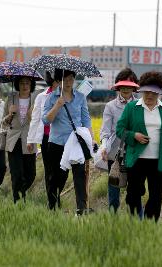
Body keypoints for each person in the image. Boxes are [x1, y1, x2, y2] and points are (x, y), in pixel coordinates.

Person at [116, 71, 162, 221]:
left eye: (153, 93)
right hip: (137, 159)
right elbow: (120, 129)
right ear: (141, 91)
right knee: (133, 195)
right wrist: (134, 136)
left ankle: (150, 227)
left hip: (158, 160)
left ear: (159, 93)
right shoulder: (132, 107)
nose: (149, 96)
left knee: (156, 197)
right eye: (146, 92)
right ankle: (134, 223)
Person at [43, 69, 95, 215]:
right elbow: (46, 120)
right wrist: (57, 106)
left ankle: (81, 208)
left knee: (79, 175)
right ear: (59, 81)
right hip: (57, 143)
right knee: (57, 178)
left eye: (71, 79)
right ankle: (53, 206)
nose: (68, 82)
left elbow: (86, 119)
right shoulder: (52, 97)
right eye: (65, 79)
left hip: (75, 143)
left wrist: (91, 140)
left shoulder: (80, 97)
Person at [100, 68, 139, 212]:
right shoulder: (110, 106)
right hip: (115, 153)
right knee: (114, 191)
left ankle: (134, 222)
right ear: (118, 86)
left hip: (135, 153)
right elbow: (105, 131)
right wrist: (104, 147)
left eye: (129, 85)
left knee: (134, 191)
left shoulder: (140, 105)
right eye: (123, 85)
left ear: (134, 87)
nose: (126, 88)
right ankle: (113, 221)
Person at [3, 76, 38, 203]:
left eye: (27, 83)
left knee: (31, 174)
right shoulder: (11, 98)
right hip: (14, 140)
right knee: (16, 174)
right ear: (18, 84)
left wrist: (31, 116)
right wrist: (10, 114)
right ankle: (17, 201)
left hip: (29, 139)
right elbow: (4, 123)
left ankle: (20, 193)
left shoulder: (36, 99)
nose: (25, 86)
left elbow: (39, 120)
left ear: (31, 84)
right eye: (22, 83)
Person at [27, 71, 59, 201]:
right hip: (46, 138)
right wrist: (30, 140)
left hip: (62, 138)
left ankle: (57, 196)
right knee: (49, 170)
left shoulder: (67, 96)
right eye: (58, 81)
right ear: (52, 81)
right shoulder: (41, 97)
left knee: (60, 171)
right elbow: (35, 119)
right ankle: (52, 201)